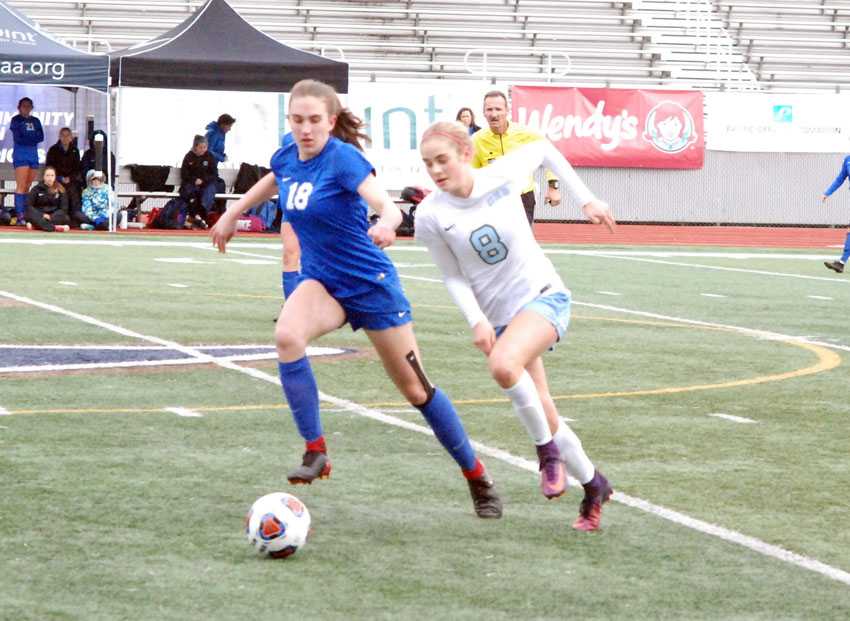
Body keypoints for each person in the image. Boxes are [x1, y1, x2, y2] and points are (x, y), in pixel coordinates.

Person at [211, 79, 502, 519]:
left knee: (416, 390)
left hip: (370, 284)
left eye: (314, 121)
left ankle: (477, 475)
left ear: (330, 121)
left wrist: (387, 223)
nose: (305, 129)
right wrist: (232, 214)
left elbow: (388, 206)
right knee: (288, 336)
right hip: (324, 281)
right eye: (297, 120)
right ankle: (316, 451)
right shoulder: (288, 155)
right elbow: (273, 180)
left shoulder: (344, 159)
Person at [415, 120, 616, 531]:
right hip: (503, 318)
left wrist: (586, 200)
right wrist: (477, 321)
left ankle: (546, 455)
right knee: (542, 403)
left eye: (442, 160)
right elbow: (451, 275)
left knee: (504, 366)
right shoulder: (430, 214)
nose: (435, 170)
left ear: (465, 155)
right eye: (427, 163)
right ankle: (594, 484)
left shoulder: (501, 176)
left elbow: (544, 150)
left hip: (545, 295)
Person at [471, 90, 561, 227]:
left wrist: (553, 187)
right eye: (489, 109)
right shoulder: (476, 140)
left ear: (507, 110)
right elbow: (471, 174)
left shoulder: (527, 134)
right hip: (493, 199)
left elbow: (550, 155)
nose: (494, 114)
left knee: (521, 244)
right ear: (483, 112)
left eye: (498, 109)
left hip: (523, 198)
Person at [10, 97, 44, 225]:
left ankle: (26, 212)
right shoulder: (16, 120)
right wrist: (31, 137)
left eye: (29, 106)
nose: (26, 108)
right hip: (21, 155)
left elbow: (40, 137)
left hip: (33, 155)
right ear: (19, 107)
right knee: (21, 185)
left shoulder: (35, 121)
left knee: (28, 186)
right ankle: (20, 215)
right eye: (24, 106)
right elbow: (18, 138)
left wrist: (29, 137)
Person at [179, 135, 218, 229]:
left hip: (206, 183)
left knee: (208, 193)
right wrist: (194, 180)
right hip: (191, 183)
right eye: (201, 147)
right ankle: (196, 218)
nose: (203, 150)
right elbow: (184, 174)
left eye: (205, 147)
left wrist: (203, 180)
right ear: (195, 146)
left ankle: (200, 217)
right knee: (189, 193)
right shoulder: (188, 157)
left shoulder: (210, 156)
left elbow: (214, 174)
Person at [822, 154, 850, 274]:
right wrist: (827, 192)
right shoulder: (847, 160)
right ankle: (841, 263)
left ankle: (841, 263)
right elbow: (840, 178)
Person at [26, 166, 70, 233]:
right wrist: (42, 215)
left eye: (52, 175)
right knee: (29, 214)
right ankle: (55, 228)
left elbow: (64, 208)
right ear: (43, 177)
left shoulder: (60, 189)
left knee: (66, 218)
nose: (50, 178)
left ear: (55, 177)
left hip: (53, 216)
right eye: (47, 175)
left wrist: (51, 217)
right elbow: (29, 206)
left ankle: (37, 226)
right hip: (40, 214)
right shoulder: (36, 189)